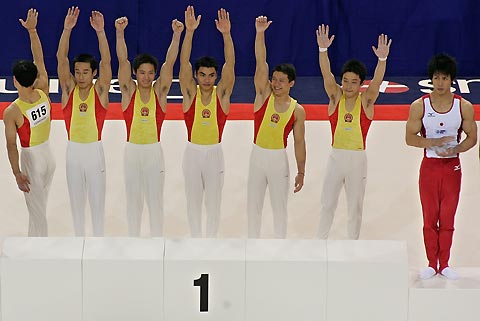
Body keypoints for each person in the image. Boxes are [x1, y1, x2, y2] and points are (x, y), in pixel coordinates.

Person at [316, 24, 392, 239]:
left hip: (357, 158)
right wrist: (323, 51)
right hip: (336, 157)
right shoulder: (335, 97)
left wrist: (382, 60)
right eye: (346, 81)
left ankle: (353, 245)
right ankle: (319, 243)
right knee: (327, 203)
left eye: (354, 82)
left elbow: (377, 82)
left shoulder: (366, 101)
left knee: (354, 208)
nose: (348, 86)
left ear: (360, 84)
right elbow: (326, 74)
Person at [405, 53, 477, 280]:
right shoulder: (419, 106)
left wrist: (456, 149)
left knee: (447, 218)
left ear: (451, 80)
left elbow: (472, 137)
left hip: (452, 168)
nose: (439, 83)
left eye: (444, 78)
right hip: (429, 168)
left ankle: (444, 264)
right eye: (436, 78)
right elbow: (409, 138)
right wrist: (432, 143)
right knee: (429, 218)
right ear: (431, 80)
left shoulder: (463, 107)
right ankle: (430, 263)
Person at [115, 16, 184, 236]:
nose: (146, 77)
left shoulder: (160, 92)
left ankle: (157, 242)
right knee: (133, 200)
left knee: (155, 200)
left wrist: (176, 35)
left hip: (154, 152)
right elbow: (123, 60)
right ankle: (133, 240)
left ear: (155, 75)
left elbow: (170, 63)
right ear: (135, 73)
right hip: (133, 151)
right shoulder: (128, 91)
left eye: (150, 73)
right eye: (142, 72)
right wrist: (119, 33)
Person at [247, 16, 306, 239]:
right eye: (274, 79)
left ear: (291, 83)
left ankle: (279, 248)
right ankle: (251, 247)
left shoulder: (297, 110)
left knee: (279, 208)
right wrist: (259, 33)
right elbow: (260, 63)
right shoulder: (263, 95)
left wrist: (301, 171)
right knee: (253, 206)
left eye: (282, 80)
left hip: (278, 160)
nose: (276, 83)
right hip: (258, 157)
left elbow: (299, 143)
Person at [179, 6, 235, 237]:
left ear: (216, 77)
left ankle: (210, 243)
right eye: (202, 75)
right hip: (192, 153)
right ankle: (195, 241)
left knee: (213, 203)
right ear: (196, 76)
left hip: (214, 153)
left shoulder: (221, 95)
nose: (207, 79)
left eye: (211, 75)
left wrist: (226, 34)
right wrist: (189, 32)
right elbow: (183, 64)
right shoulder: (190, 94)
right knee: (193, 203)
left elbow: (230, 65)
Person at [56, 7, 112, 236]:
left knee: (97, 204)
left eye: (85, 72)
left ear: (94, 73)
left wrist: (101, 33)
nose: (80, 76)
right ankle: (79, 241)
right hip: (73, 152)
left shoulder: (99, 91)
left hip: (94, 151)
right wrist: (67, 29)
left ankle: (98, 243)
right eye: (77, 72)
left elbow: (107, 63)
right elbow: (61, 59)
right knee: (76, 203)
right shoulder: (68, 89)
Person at [3, 8, 55, 236]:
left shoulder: (13, 111)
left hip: (32, 158)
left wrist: (16, 172)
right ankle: (34, 242)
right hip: (48, 155)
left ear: (14, 81)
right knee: (38, 207)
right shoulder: (43, 89)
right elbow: (39, 58)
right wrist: (33, 31)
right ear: (34, 78)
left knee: (37, 211)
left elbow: (11, 145)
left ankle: (40, 253)